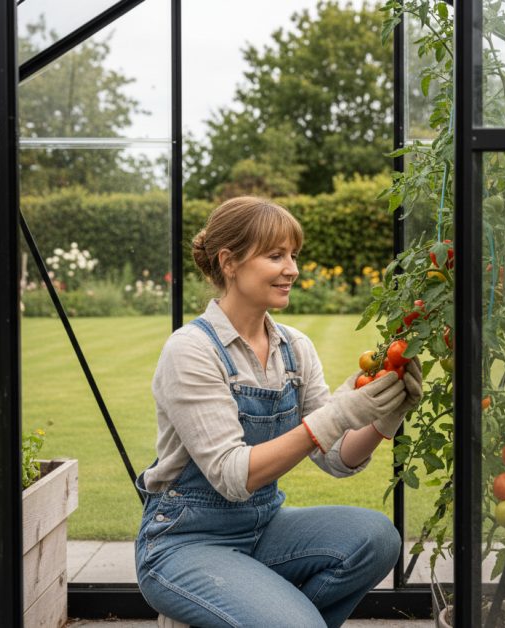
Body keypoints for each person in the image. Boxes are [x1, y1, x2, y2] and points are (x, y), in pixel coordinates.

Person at [134, 196, 423, 627]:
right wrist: (339, 414)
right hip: (185, 542)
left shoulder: (294, 347)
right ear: (229, 262)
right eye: (275, 256)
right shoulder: (191, 350)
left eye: (293, 255)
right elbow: (233, 476)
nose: (292, 268)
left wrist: (387, 416)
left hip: (263, 528)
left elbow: (335, 457)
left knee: (377, 539)